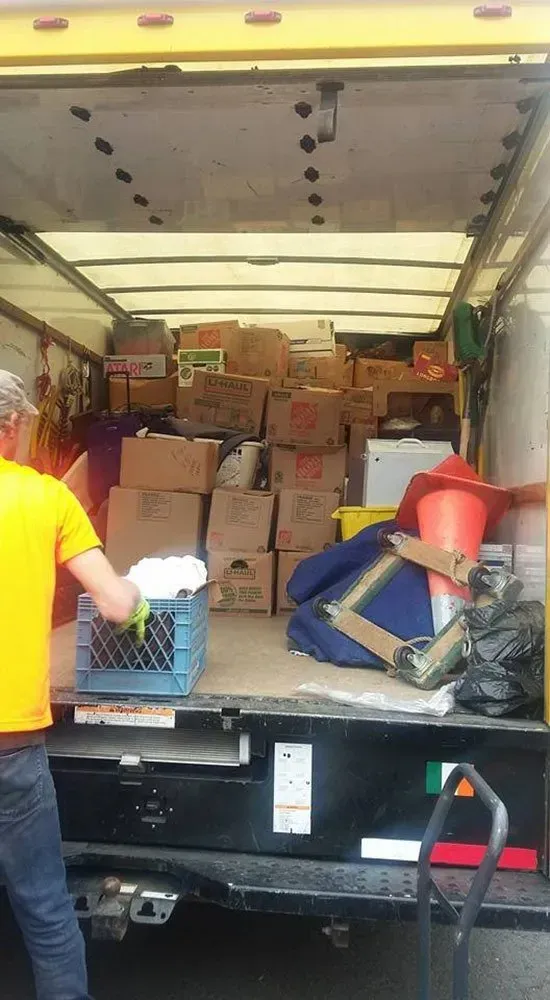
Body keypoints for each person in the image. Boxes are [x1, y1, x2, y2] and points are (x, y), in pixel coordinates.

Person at [0, 369, 148, 1000]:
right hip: (10, 744)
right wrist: (139, 594)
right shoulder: (44, 498)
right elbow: (114, 604)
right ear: (12, 427)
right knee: (44, 907)